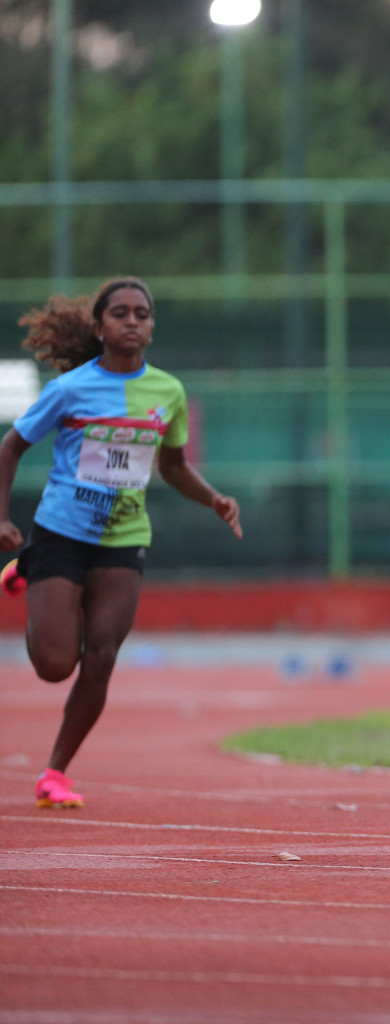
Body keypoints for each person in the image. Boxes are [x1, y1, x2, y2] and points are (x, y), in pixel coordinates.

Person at [0, 278, 242, 809]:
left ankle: (55, 772)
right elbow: (10, 447)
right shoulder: (69, 390)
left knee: (102, 657)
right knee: (54, 666)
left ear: (152, 326)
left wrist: (214, 499)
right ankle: (28, 568)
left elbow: (173, 466)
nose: (133, 322)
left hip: (124, 538)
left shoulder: (168, 392)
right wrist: (1, 517)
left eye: (143, 314)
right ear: (99, 326)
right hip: (61, 533)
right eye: (121, 313)